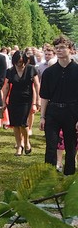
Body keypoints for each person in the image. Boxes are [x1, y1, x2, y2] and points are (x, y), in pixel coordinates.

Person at [40, 36, 78, 175]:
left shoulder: (76, 70)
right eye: (57, 48)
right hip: (53, 112)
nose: (59, 50)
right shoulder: (49, 72)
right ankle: (48, 176)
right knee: (51, 146)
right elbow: (44, 96)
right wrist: (42, 116)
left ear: (70, 49)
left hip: (72, 112)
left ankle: (69, 175)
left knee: (70, 146)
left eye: (62, 47)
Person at [2, 50, 40, 156]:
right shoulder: (10, 71)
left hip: (27, 99)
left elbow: (37, 85)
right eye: (18, 62)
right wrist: (4, 100)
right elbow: (6, 87)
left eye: (22, 62)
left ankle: (26, 142)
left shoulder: (31, 69)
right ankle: (19, 145)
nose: (20, 64)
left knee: (23, 123)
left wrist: (37, 101)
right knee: (15, 124)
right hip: (14, 100)